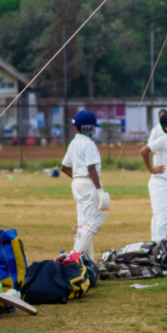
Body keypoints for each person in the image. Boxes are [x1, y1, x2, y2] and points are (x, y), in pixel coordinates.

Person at [60, 111, 109, 260]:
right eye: (93, 127)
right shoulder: (88, 144)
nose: (94, 130)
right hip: (88, 184)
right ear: (88, 128)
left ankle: (88, 264)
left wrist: (78, 178)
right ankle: (72, 258)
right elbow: (92, 169)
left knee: (83, 225)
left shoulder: (74, 143)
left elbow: (64, 167)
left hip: (77, 183)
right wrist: (100, 191)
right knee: (92, 223)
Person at [140, 112, 167, 242]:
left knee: (159, 216)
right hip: (159, 183)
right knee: (163, 216)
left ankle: (155, 245)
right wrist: (151, 169)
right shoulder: (164, 139)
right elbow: (144, 150)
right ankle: (159, 247)